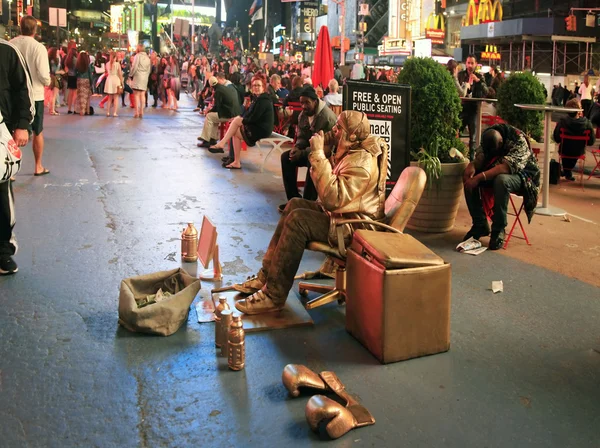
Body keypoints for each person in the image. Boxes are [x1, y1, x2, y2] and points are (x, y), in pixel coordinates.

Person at [232, 111, 387, 314]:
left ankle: (274, 295)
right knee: (294, 204)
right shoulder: (351, 152)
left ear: (351, 136)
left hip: (354, 228)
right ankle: (266, 276)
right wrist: (327, 153)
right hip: (343, 217)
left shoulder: (361, 164)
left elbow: (332, 198)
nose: (334, 130)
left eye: (339, 128)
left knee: (299, 221)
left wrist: (318, 155)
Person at [462, 124, 540, 250]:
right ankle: (480, 224)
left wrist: (479, 177)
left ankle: (499, 229)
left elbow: (505, 168)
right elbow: (481, 156)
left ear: (501, 142)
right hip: (496, 168)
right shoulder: (488, 135)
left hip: (523, 174)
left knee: (501, 180)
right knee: (468, 176)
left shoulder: (518, 139)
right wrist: (473, 166)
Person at [0, 38, 35, 274]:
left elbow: (24, 89)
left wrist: (22, 125)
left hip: (1, 131)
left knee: (1, 195)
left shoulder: (7, 50)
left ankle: (3, 251)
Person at [279, 86, 337, 211]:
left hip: (326, 155)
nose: (304, 106)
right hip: (308, 151)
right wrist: (297, 148)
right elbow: (301, 137)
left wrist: (302, 153)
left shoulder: (326, 117)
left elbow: (326, 146)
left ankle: (307, 203)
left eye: (307, 103)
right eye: (302, 103)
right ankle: (293, 200)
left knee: (312, 162)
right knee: (286, 157)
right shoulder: (303, 115)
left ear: (315, 101)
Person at [10, 16, 51, 176]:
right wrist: (49, 80)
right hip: (35, 95)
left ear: (20, 27)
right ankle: (38, 166)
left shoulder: (11, 44)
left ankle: (11, 171)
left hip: (14, 95)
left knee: (12, 131)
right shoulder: (38, 48)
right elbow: (44, 76)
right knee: (37, 131)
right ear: (35, 30)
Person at [208, 75, 274, 170]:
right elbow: (249, 114)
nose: (256, 87)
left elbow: (254, 118)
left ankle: (222, 144)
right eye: (254, 85)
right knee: (235, 130)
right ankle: (236, 161)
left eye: (258, 85)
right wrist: (241, 119)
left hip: (262, 130)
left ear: (263, 87)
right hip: (256, 126)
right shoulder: (257, 98)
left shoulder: (264, 100)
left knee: (237, 121)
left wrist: (241, 120)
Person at [553, 98, 595, 181]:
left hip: (564, 150)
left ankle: (566, 171)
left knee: (566, 148)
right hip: (579, 151)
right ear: (578, 110)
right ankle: (567, 172)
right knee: (575, 148)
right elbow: (591, 142)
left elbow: (557, 138)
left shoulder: (562, 122)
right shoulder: (587, 123)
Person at [457, 55, 489, 160]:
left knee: (473, 138)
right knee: (457, 133)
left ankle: (472, 159)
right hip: (462, 108)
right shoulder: (460, 75)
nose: (470, 65)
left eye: (472, 63)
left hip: (474, 109)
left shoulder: (480, 76)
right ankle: (457, 155)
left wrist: (478, 82)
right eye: (468, 63)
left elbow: (486, 92)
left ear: (476, 64)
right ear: (465, 63)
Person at [197, 74, 241, 148]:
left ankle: (206, 140)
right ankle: (213, 138)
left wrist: (209, 111)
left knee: (209, 116)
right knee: (213, 116)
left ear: (211, 86)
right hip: (235, 112)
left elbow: (217, 107)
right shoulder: (224, 88)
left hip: (229, 114)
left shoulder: (218, 91)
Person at [129, 44, 151, 119]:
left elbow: (134, 67)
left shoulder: (137, 56)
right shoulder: (147, 58)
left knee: (136, 95)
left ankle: (136, 112)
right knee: (142, 94)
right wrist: (146, 76)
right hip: (145, 77)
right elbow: (149, 69)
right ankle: (142, 111)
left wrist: (131, 74)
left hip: (138, 76)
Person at [103, 51, 123, 117]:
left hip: (109, 80)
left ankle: (108, 112)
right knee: (116, 98)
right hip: (116, 79)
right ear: (115, 57)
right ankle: (114, 112)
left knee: (109, 98)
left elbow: (106, 71)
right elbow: (120, 74)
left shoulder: (107, 64)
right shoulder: (117, 64)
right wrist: (122, 82)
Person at [75, 51, 92, 116]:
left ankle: (82, 110)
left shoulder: (78, 65)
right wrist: (91, 82)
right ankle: (87, 110)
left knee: (81, 95)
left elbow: (75, 73)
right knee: (87, 96)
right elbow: (90, 74)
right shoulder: (88, 65)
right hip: (86, 80)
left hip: (79, 80)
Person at [48, 47, 61, 116]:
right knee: (54, 95)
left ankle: (52, 109)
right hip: (55, 77)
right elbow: (54, 70)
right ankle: (52, 110)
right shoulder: (54, 60)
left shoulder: (50, 59)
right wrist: (61, 72)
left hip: (51, 77)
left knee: (52, 94)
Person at [64, 47, 78, 114]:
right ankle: (75, 109)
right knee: (75, 93)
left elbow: (66, 68)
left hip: (69, 76)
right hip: (75, 76)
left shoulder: (67, 59)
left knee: (70, 93)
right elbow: (77, 68)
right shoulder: (75, 60)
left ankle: (69, 109)